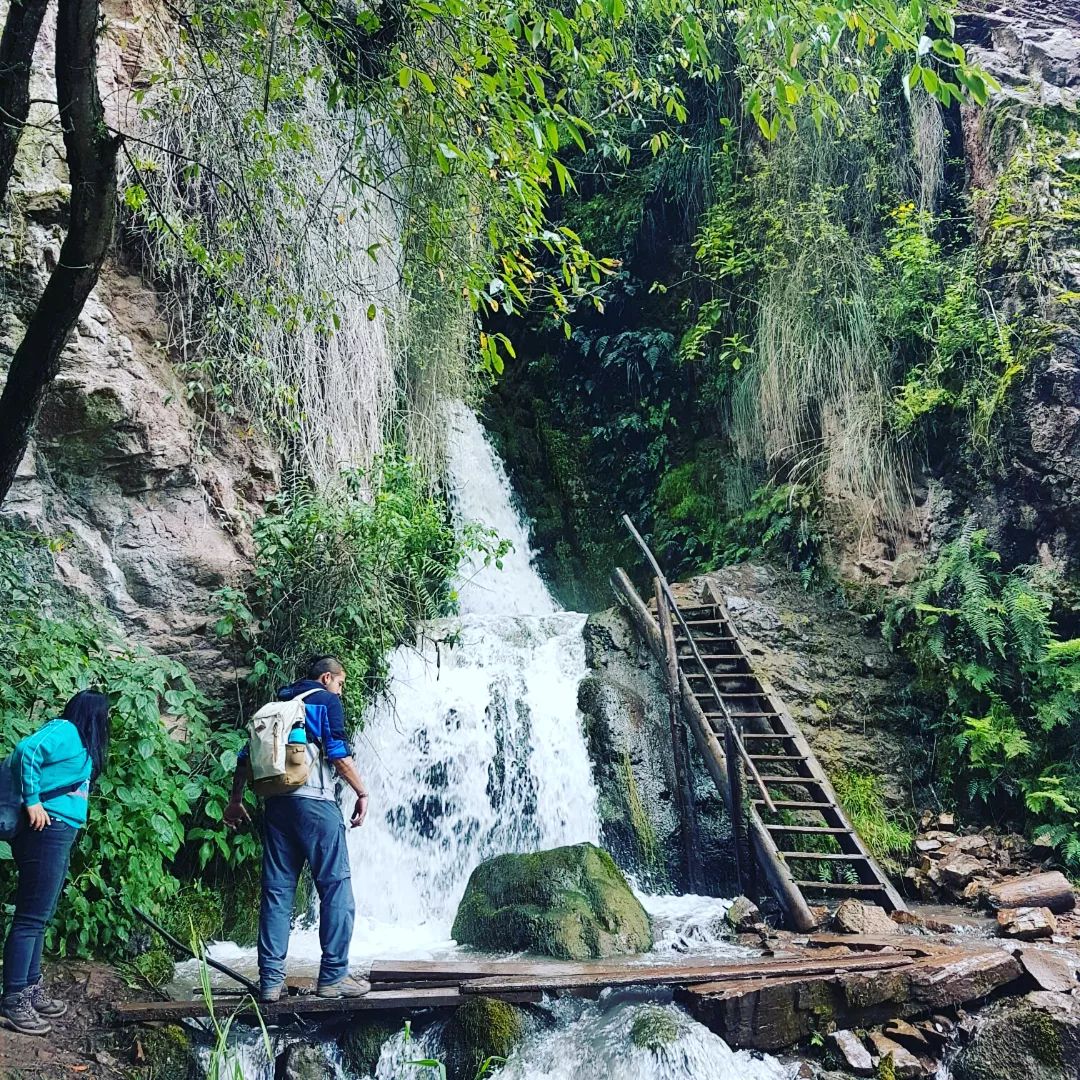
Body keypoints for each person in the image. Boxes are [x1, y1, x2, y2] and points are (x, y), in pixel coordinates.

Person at [223, 655, 371, 1002]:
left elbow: (246, 758)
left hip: (277, 808)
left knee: (277, 894)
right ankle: (334, 978)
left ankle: (270, 983)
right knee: (336, 890)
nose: (341, 690)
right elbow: (336, 752)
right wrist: (361, 792)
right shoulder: (326, 702)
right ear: (326, 678)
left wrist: (235, 800)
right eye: (341, 682)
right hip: (316, 805)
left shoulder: (277, 707)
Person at [1, 690, 111, 1036]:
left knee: (41, 915)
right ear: (92, 714)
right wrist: (32, 801)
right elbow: (26, 751)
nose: (108, 722)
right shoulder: (65, 729)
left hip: (59, 831)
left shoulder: (81, 744)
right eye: (105, 715)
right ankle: (14, 996)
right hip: (44, 829)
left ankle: (30, 987)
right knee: (31, 916)